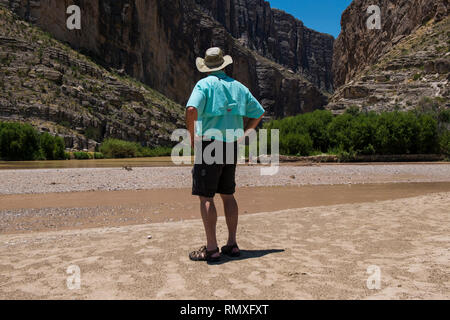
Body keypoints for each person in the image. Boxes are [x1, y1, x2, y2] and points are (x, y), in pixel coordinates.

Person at [185, 47, 265, 262]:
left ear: (207, 67)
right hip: (231, 144)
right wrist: (246, 133)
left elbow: (191, 110)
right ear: (224, 64)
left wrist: (192, 137)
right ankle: (232, 243)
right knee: (228, 195)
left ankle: (211, 248)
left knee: (206, 197)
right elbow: (258, 112)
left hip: (209, 143)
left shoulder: (204, 84)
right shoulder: (239, 87)